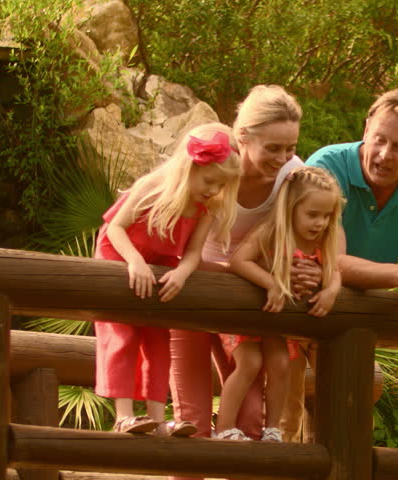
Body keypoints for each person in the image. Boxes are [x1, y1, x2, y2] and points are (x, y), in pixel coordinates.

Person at [281, 89, 398, 441]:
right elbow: (332, 262)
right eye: (379, 140)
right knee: (283, 411)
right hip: (298, 305)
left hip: (352, 318)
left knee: (356, 402)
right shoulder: (327, 167)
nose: (385, 155)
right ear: (366, 129)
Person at [168, 85, 311, 471]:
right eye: (272, 148)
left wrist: (305, 270)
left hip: (249, 303)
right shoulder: (216, 167)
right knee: (192, 421)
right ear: (243, 136)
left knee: (250, 421)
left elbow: (311, 235)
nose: (282, 158)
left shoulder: (292, 176)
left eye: (289, 147)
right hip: (196, 292)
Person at [94, 122, 241, 437]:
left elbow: (192, 254)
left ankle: (158, 420)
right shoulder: (152, 188)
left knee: (158, 339)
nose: (214, 191)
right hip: (121, 256)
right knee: (124, 336)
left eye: (220, 186)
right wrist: (133, 261)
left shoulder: (204, 209)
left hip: (160, 265)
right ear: (190, 167)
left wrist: (182, 273)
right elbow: (116, 228)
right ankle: (123, 416)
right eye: (209, 181)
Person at [218, 166, 344, 442]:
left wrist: (330, 292)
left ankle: (272, 429)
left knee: (281, 364)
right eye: (313, 215)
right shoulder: (272, 233)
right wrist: (271, 283)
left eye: (326, 216)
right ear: (291, 208)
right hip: (251, 316)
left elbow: (335, 271)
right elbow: (239, 261)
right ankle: (224, 426)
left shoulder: (322, 242)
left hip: (276, 324)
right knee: (250, 363)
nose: (320, 223)